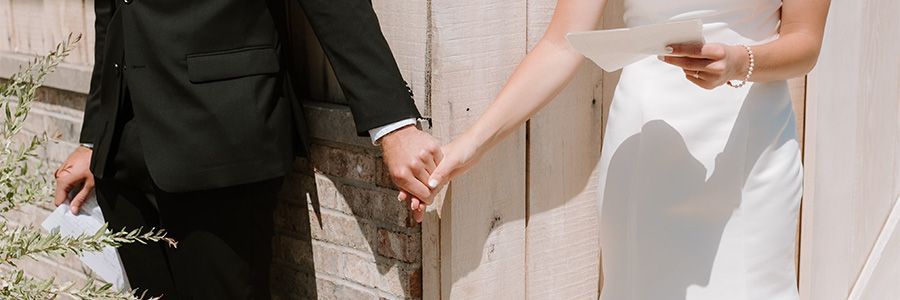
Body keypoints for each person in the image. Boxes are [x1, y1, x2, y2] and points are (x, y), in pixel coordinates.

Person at [413, 0, 830, 298]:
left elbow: (805, 42)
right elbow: (561, 45)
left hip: (750, 145)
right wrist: (471, 144)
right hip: (646, 141)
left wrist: (741, 62)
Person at [51, 0, 441, 298]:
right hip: (122, 150)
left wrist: (392, 124)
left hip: (218, 136)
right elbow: (113, 14)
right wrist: (94, 138)